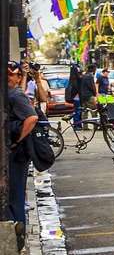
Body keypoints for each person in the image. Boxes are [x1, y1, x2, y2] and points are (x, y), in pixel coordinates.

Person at [9, 62, 38, 241]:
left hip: (17, 153)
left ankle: (17, 236)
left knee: (15, 194)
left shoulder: (16, 95)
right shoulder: (12, 93)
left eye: (12, 74)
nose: (8, 77)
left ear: (19, 77)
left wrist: (16, 141)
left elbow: (32, 118)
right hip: (14, 152)